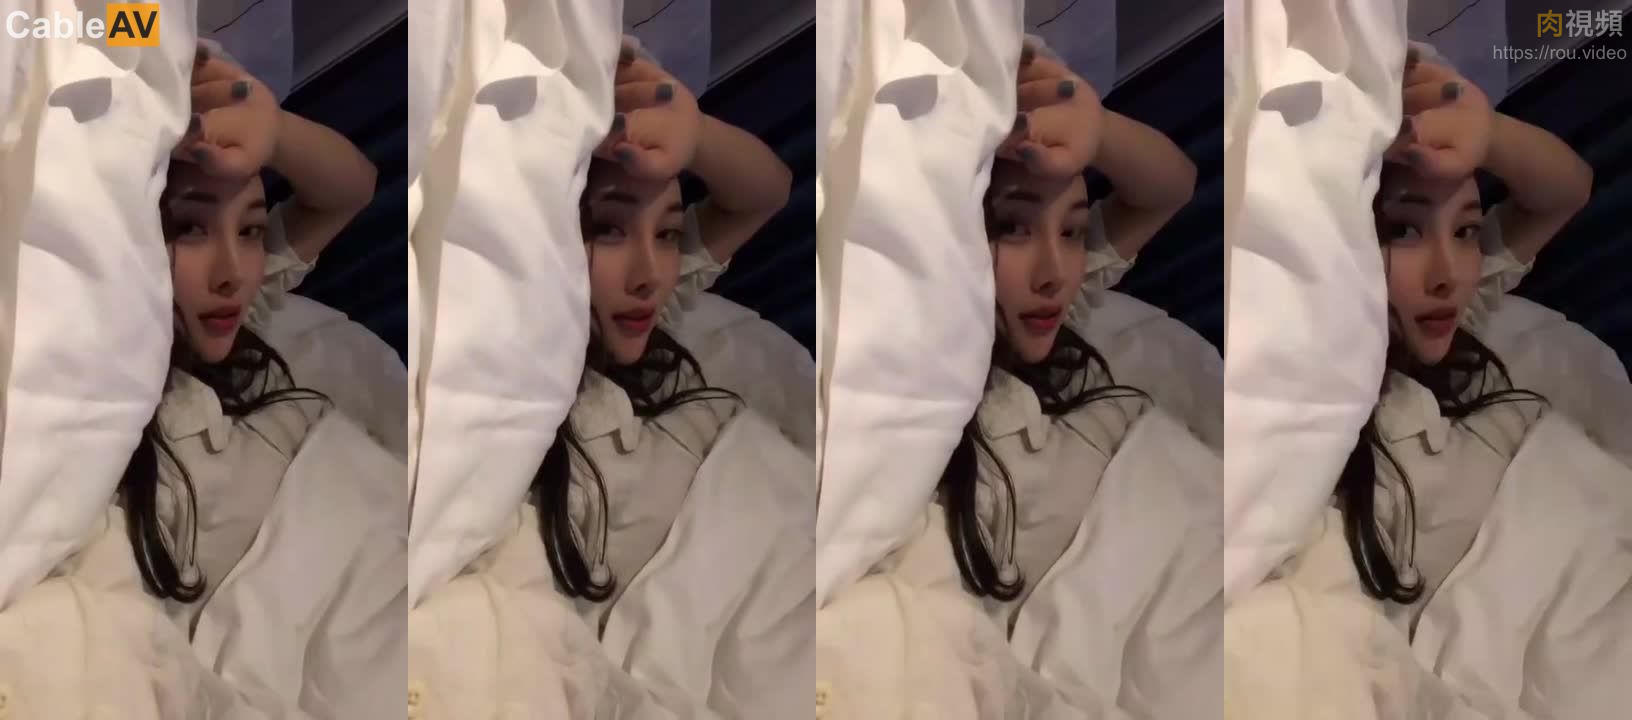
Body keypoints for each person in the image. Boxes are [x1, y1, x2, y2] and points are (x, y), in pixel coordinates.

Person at [120, 45, 379, 629]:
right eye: (189, 228)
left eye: (252, 229)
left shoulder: (237, 312)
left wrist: (271, 128)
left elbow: (353, 188)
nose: (233, 273)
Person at [1334, 50, 1592, 626]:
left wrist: (1484, 132)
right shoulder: (1310, 433)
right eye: (1403, 230)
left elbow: (1566, 190)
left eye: (1467, 230)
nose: (1448, 274)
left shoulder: (1443, 316)